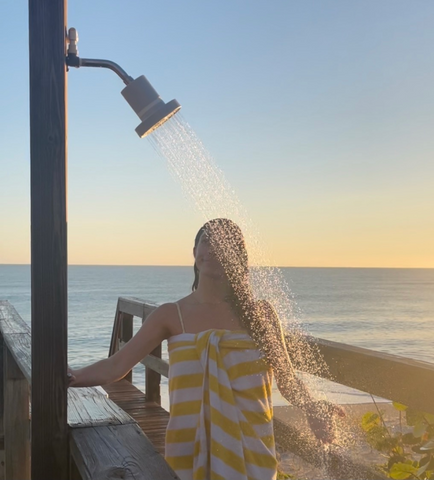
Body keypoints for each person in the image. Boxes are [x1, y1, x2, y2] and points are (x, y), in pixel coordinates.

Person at [68, 218, 342, 480]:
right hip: (190, 451)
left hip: (253, 451)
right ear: (195, 252)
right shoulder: (170, 315)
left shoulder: (261, 315)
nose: (216, 249)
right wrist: (71, 377)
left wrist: (312, 406)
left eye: (228, 244)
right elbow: (117, 365)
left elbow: (287, 378)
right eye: (208, 241)